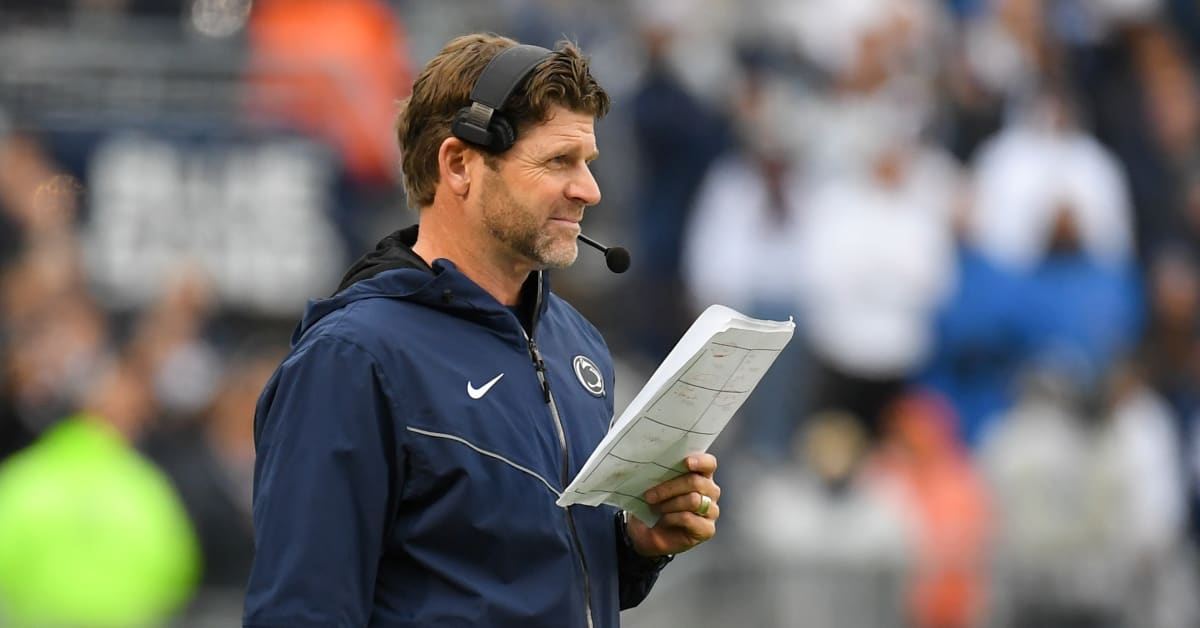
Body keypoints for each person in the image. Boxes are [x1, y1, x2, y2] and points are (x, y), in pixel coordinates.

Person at [243, 34, 722, 627]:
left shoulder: (577, 343)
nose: (589, 190)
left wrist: (635, 547)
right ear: (459, 165)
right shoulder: (352, 359)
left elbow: (516, 575)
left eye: (588, 163)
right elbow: (301, 611)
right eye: (558, 161)